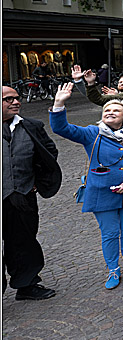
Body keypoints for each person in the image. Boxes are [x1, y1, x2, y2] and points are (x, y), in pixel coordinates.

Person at [49, 87, 123, 288]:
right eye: (106, 111)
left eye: (115, 110)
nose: (110, 113)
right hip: (101, 192)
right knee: (110, 233)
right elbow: (62, 129)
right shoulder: (91, 133)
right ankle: (113, 270)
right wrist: (59, 104)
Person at [2, 85, 61, 300]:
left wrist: (36, 180)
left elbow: (49, 151)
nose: (16, 102)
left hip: (21, 196)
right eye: (8, 99)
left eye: (17, 98)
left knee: (23, 242)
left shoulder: (31, 126)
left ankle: (26, 284)